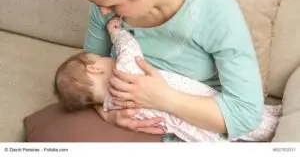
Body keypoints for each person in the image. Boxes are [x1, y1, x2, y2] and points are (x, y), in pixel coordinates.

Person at [68, 0, 265, 141]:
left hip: (195, 126)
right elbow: (87, 72)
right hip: (126, 120)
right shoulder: (105, 9)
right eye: (97, 4)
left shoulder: (212, 7)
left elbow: (245, 114)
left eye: (111, 4)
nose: (102, 11)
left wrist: (163, 98)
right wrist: (108, 114)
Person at [54, 17, 281, 142]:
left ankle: (272, 122)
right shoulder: (125, 71)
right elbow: (128, 47)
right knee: (246, 119)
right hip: (196, 102)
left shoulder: (111, 105)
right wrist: (115, 32)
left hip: (192, 134)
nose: (105, 56)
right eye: (100, 58)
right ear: (94, 69)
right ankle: (278, 128)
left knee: (234, 130)